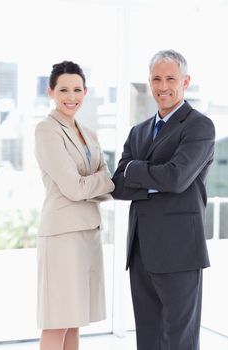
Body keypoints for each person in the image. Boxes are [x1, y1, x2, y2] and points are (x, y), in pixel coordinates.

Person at [112, 49, 215, 350]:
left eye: (171, 78)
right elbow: (117, 186)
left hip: (180, 251)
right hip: (141, 249)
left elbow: (177, 178)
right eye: (156, 78)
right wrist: (154, 178)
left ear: (186, 81)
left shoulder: (199, 126)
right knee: (148, 336)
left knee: (179, 339)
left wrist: (137, 171)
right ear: (149, 82)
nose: (163, 86)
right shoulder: (139, 131)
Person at [35, 60, 114, 350]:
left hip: (89, 233)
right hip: (62, 236)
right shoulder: (47, 130)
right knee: (58, 322)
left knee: (76, 321)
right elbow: (74, 187)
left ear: (86, 92)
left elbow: (103, 179)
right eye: (64, 90)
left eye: (77, 89)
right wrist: (100, 181)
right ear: (51, 92)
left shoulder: (89, 133)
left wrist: (96, 183)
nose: (71, 97)